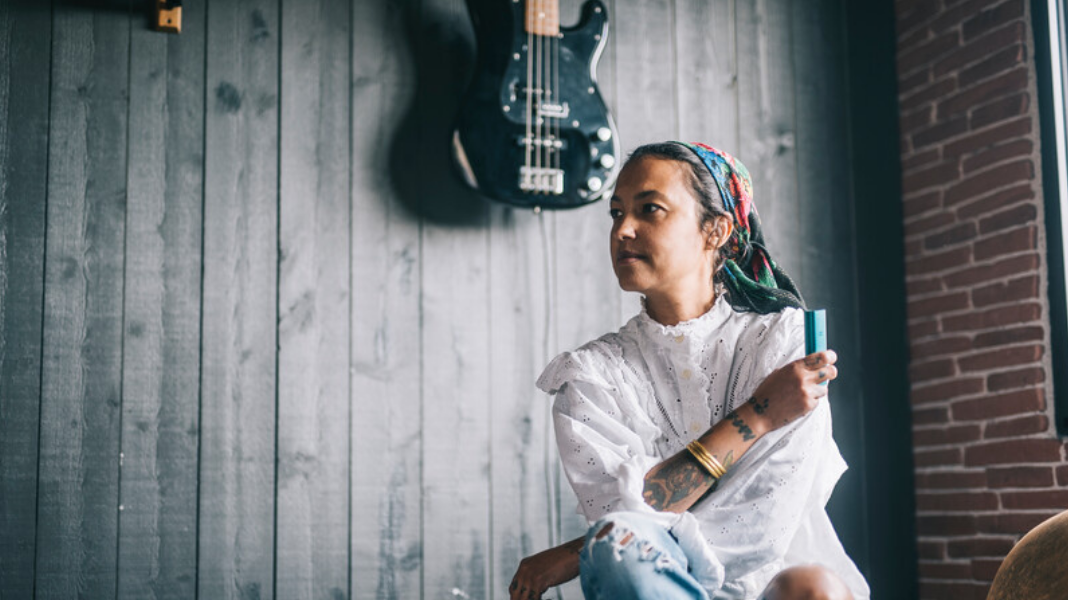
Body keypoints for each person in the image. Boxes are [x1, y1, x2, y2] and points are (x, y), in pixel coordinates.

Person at [509, 142, 869, 600]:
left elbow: (764, 524)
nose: (623, 230)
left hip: (778, 586)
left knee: (812, 588)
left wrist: (583, 549)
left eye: (649, 209)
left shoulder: (784, 344)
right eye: (616, 212)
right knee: (614, 548)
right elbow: (622, 532)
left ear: (715, 230)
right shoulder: (590, 377)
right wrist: (758, 414)